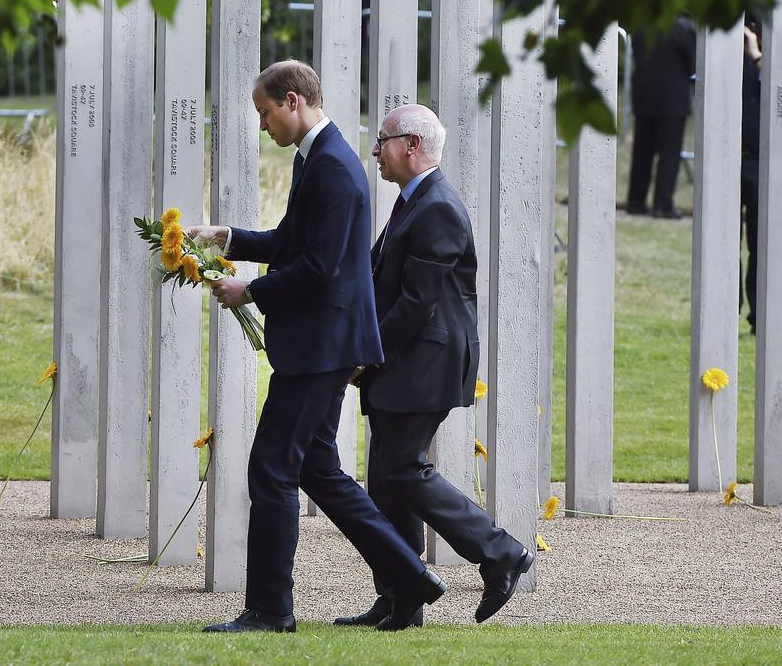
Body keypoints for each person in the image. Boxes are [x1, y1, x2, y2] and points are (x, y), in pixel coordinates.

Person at [190, 61, 445, 634]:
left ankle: (270, 610)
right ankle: (411, 574)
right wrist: (227, 236)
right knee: (319, 470)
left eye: (264, 113)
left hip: (321, 348)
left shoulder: (331, 164)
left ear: (291, 101)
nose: (263, 126)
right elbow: (290, 241)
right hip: (323, 344)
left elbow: (319, 267)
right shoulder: (321, 158)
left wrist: (248, 290)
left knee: (272, 467)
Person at [333, 104, 533, 629]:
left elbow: (418, 302)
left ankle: (499, 552)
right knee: (384, 480)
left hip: (425, 363)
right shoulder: (412, 201)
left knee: (402, 469)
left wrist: (365, 353)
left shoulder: (438, 206)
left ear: (412, 145)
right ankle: (402, 595)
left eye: (382, 141)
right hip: (405, 361)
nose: (375, 151)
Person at [627, 15, 697, 217]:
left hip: (644, 96)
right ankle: (662, 204)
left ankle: (636, 201)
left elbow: (637, 54)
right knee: (669, 154)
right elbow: (692, 61)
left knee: (642, 153)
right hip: (672, 98)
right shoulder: (682, 28)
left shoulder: (641, 25)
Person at [740, 17, 763, 333]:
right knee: (724, 242)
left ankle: (759, 315)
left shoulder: (777, 42)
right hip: (730, 158)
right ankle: (724, 312)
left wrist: (755, 52)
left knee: (760, 244)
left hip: (761, 161)